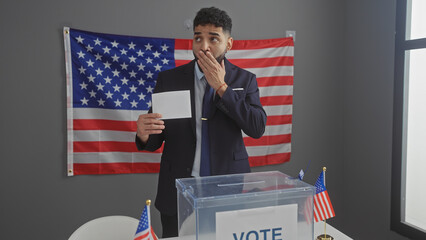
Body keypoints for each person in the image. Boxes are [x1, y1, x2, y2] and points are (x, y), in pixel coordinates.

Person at [135, 7, 267, 238]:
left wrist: (222, 88)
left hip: (228, 190)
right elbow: (156, 138)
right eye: (198, 38)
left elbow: (256, 127)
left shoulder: (245, 80)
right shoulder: (169, 79)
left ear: (229, 43)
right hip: (177, 191)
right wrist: (144, 133)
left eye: (213, 38)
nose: (204, 46)